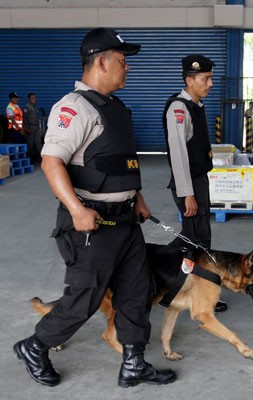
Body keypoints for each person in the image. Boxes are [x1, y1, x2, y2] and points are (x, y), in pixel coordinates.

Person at [13, 28, 176, 388]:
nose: (127, 68)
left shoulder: (116, 109)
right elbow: (51, 162)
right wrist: (75, 209)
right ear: (101, 62)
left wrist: (139, 200)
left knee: (136, 292)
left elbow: (122, 164)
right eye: (122, 61)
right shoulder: (74, 107)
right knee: (85, 299)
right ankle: (35, 346)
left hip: (127, 223)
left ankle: (133, 364)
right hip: (91, 225)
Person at [162, 54, 227, 313]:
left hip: (198, 180)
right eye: (205, 78)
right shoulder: (179, 109)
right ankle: (196, 294)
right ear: (189, 80)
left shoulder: (194, 106)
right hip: (189, 184)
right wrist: (187, 194)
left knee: (195, 239)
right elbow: (178, 155)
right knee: (196, 242)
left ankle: (168, 281)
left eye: (210, 77)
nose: (210, 83)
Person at [23, 92, 42, 160]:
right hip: (31, 127)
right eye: (32, 98)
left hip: (36, 127)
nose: (34, 100)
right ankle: (30, 158)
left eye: (35, 98)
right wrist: (27, 129)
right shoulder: (27, 107)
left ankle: (42, 157)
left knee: (38, 142)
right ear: (29, 99)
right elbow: (24, 119)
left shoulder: (34, 107)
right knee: (30, 143)